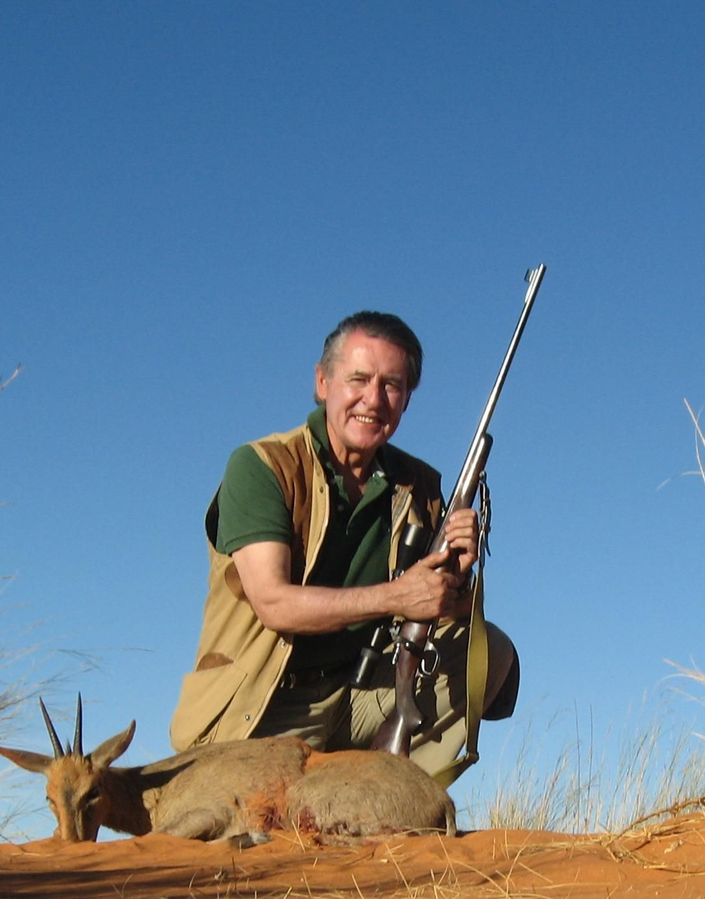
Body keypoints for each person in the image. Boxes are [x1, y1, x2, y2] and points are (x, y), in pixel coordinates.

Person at [169, 310, 517, 779]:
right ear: (322, 382)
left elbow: (443, 610)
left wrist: (457, 578)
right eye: (358, 378)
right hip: (267, 702)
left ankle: (397, 805)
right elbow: (275, 604)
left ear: (407, 399)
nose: (373, 400)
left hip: (361, 692)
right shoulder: (262, 467)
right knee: (269, 830)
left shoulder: (421, 486)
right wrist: (396, 596)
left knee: (488, 648)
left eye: (392, 385)